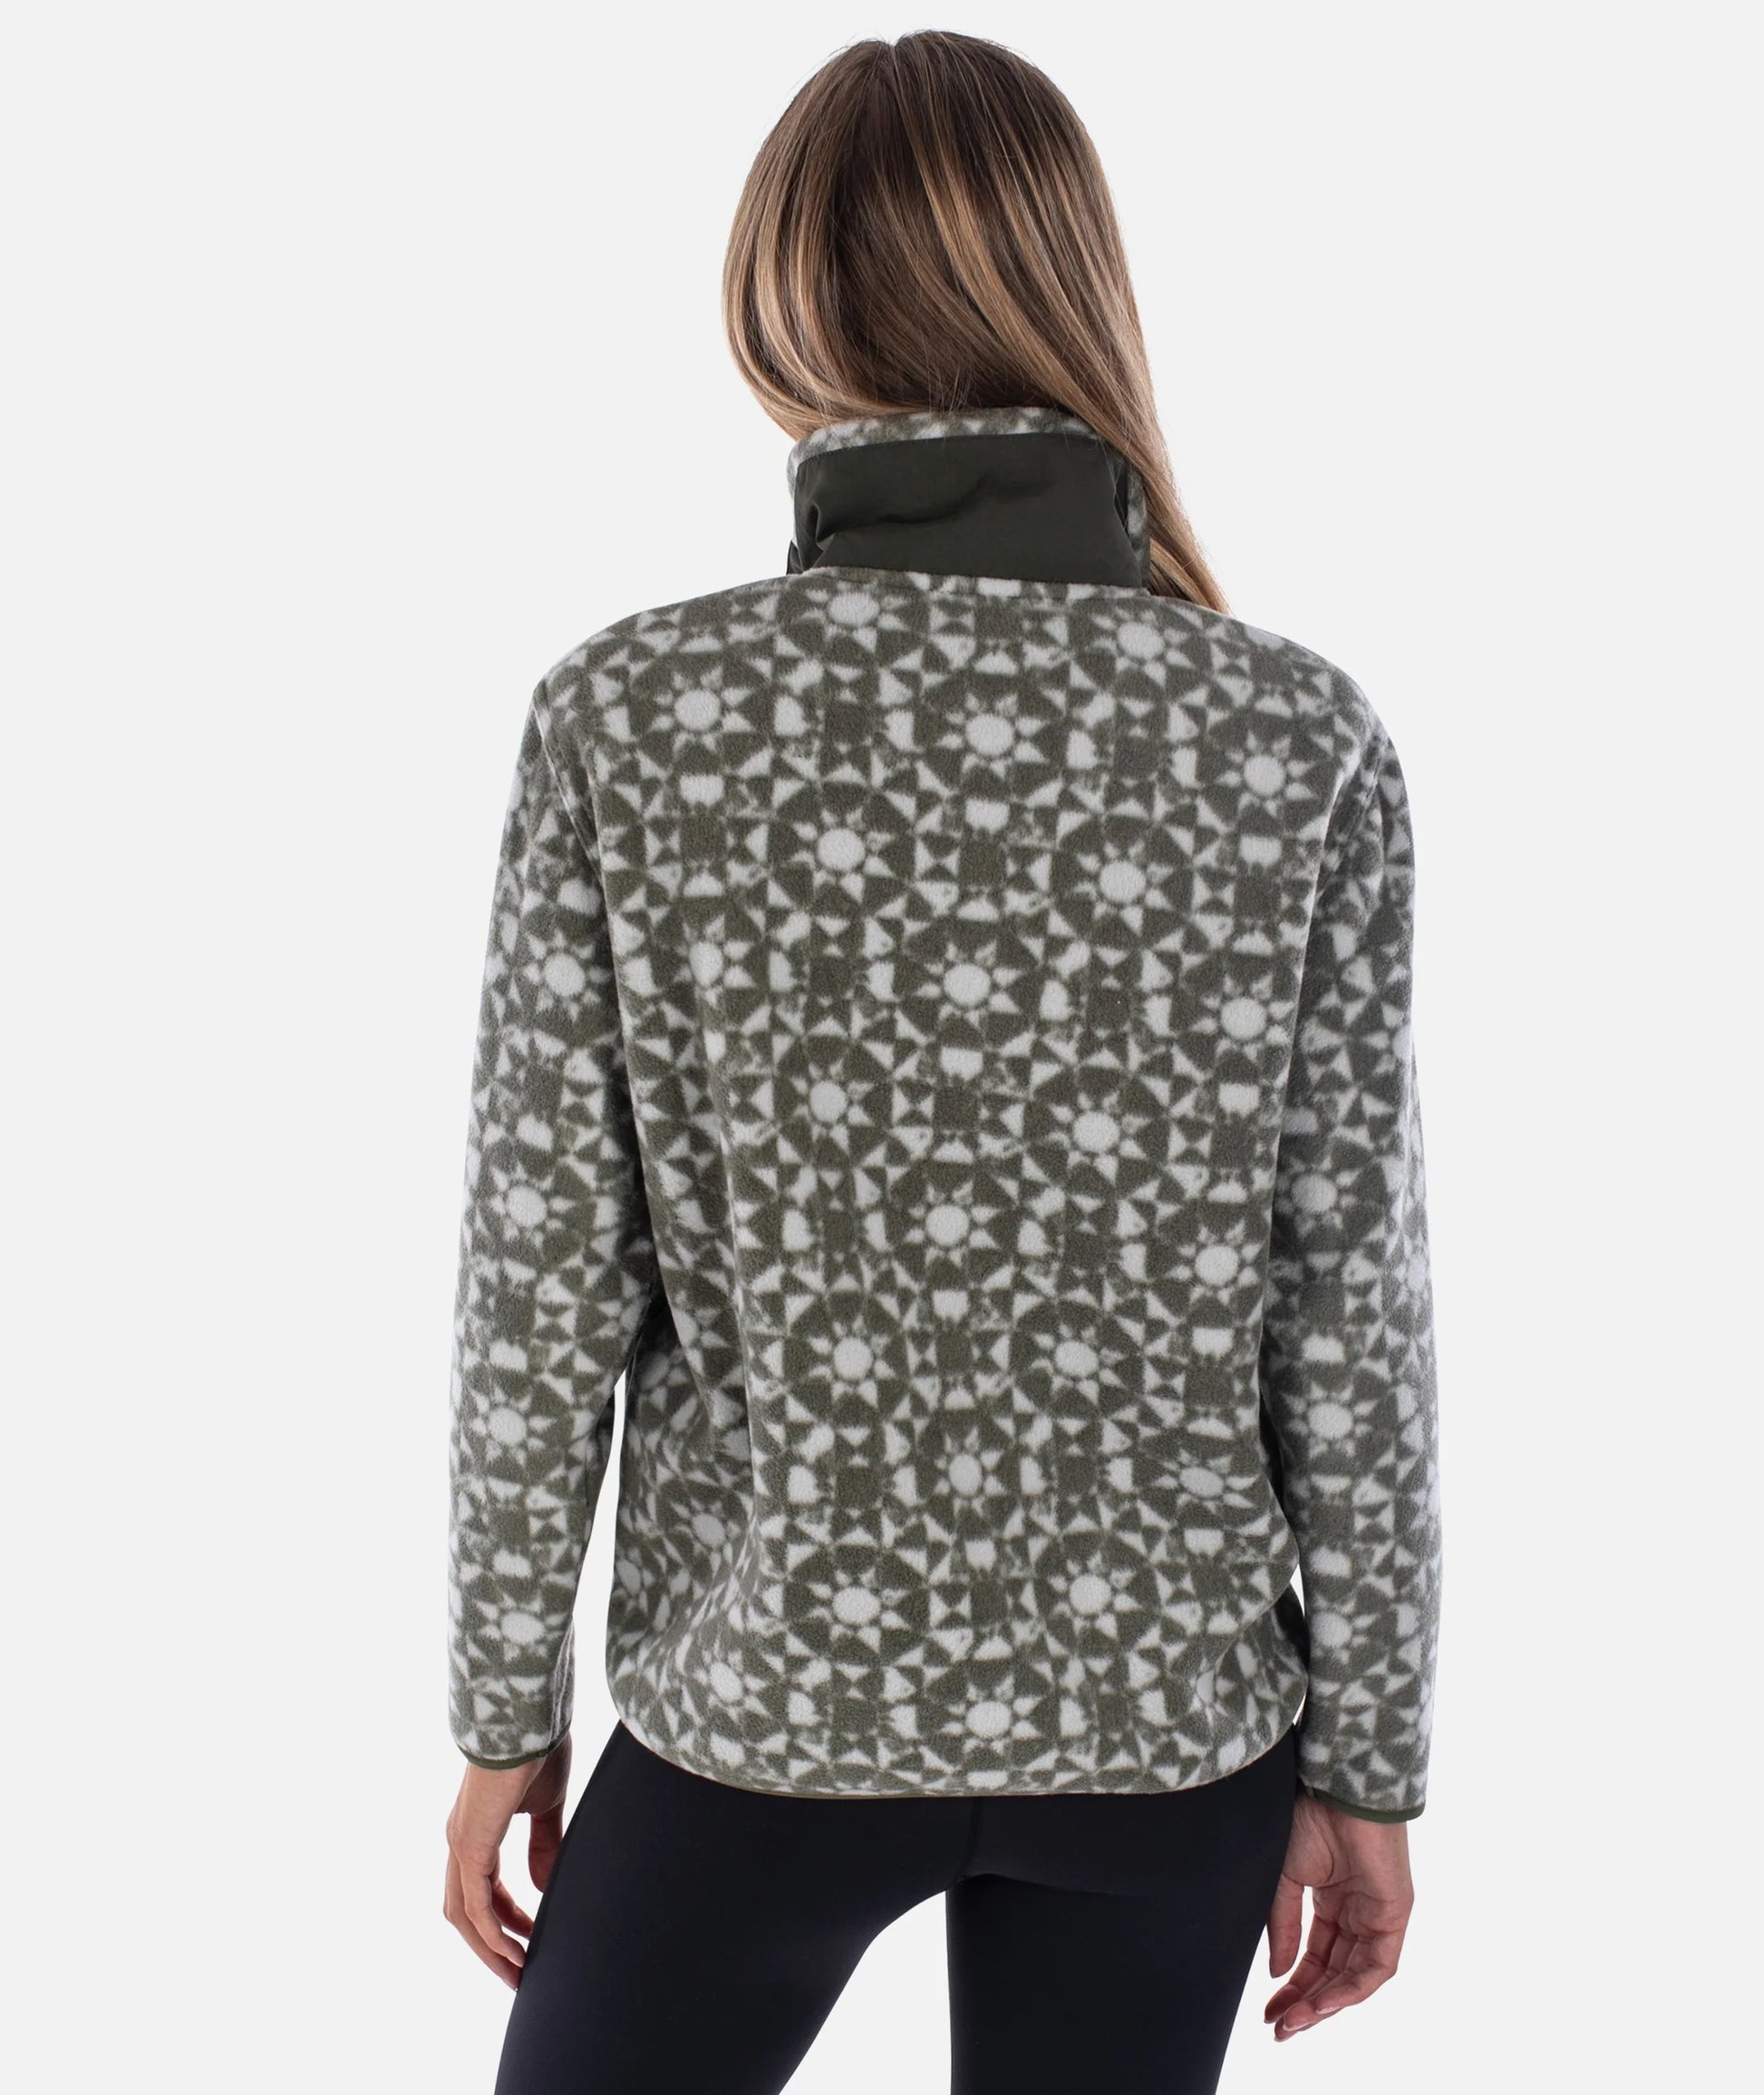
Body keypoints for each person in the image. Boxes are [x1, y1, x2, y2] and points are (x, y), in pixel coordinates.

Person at [441, 29, 1442, 2095]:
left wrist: (499, 1713)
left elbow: (541, 1277)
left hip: (766, 1714)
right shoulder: (1293, 734)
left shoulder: (634, 714)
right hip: (1169, 1740)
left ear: (779, 299)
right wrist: (1369, 1757)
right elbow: (1349, 1310)